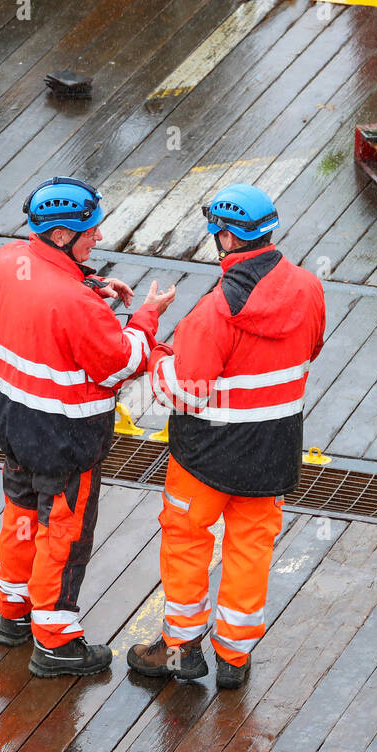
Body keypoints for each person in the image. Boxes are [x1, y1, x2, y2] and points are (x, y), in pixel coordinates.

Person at [127, 183, 325, 689]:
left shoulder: (214, 312)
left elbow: (184, 393)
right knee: (250, 548)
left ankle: (181, 650)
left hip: (205, 457)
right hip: (272, 452)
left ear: (227, 240)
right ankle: (235, 658)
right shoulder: (308, 288)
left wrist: (156, 356)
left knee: (187, 540)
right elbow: (309, 349)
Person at [0, 176, 176, 677]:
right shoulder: (75, 304)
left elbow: (46, 297)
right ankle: (55, 643)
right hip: (65, 442)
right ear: (59, 236)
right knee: (63, 537)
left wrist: (92, 285)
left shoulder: (9, 261)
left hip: (14, 426)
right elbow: (123, 362)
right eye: (88, 231)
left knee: (21, 518)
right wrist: (146, 316)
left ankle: (15, 618)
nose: (96, 237)